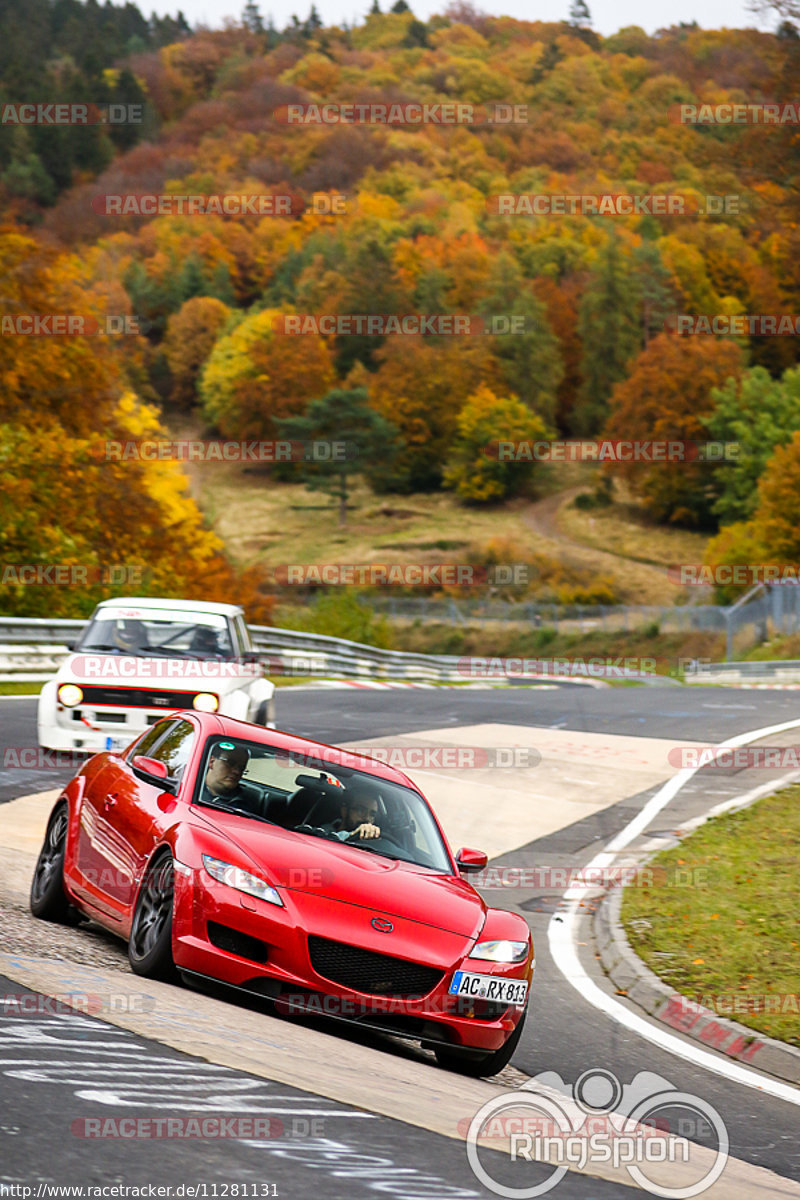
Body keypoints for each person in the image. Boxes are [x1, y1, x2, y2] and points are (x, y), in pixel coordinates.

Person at [200, 744, 262, 815]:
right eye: (230, 763)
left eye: (241, 768)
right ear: (211, 762)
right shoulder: (190, 789)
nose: (237, 772)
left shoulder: (245, 807)